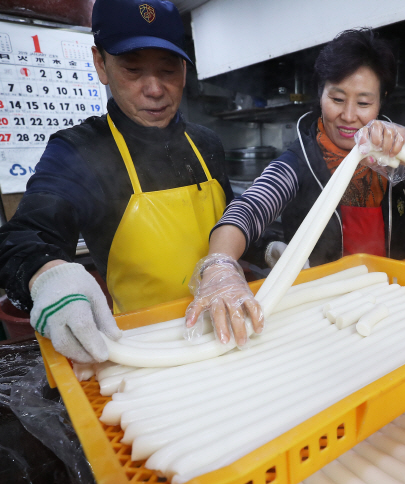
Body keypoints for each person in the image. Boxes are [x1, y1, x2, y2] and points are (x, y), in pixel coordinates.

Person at [0, 0, 254, 363]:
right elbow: (22, 236)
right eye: (133, 70)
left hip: (224, 327)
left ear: (184, 68)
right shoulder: (80, 151)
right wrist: (48, 275)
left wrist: (262, 251)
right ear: (101, 64)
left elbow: (230, 222)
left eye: (168, 70)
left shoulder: (205, 144)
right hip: (144, 349)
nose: (154, 89)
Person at [191, 28, 405, 344]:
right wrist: (221, 266)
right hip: (320, 319)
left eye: (364, 102)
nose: (348, 116)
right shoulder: (301, 159)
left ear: (381, 101)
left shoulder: (388, 153)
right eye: (337, 99)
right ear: (320, 93)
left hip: (386, 307)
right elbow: (249, 208)